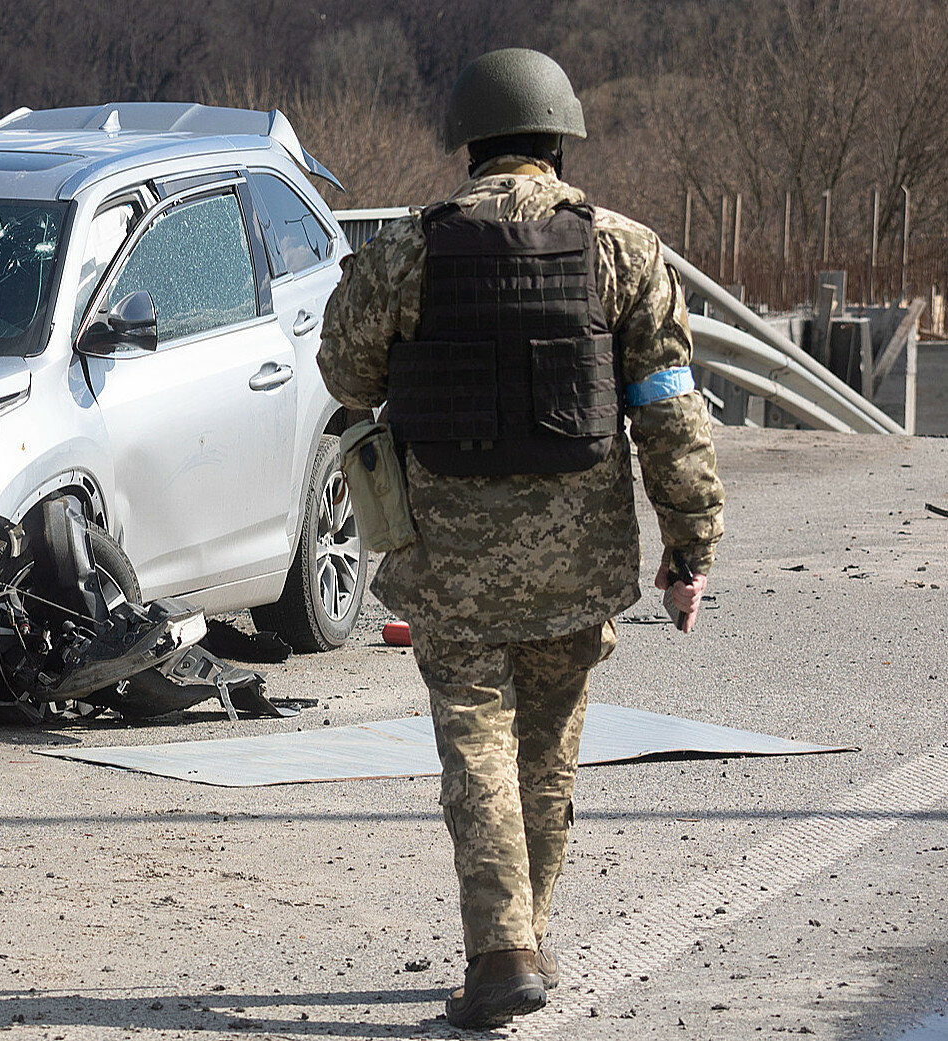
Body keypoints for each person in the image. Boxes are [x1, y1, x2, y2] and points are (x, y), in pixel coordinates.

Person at [316, 47, 725, 1029]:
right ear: (559, 136)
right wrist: (691, 545)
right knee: (544, 755)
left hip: (449, 565)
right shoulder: (624, 250)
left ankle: (503, 954)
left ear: (470, 140)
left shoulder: (410, 250)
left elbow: (345, 375)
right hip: (576, 565)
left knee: (478, 751)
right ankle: (519, 946)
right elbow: (670, 410)